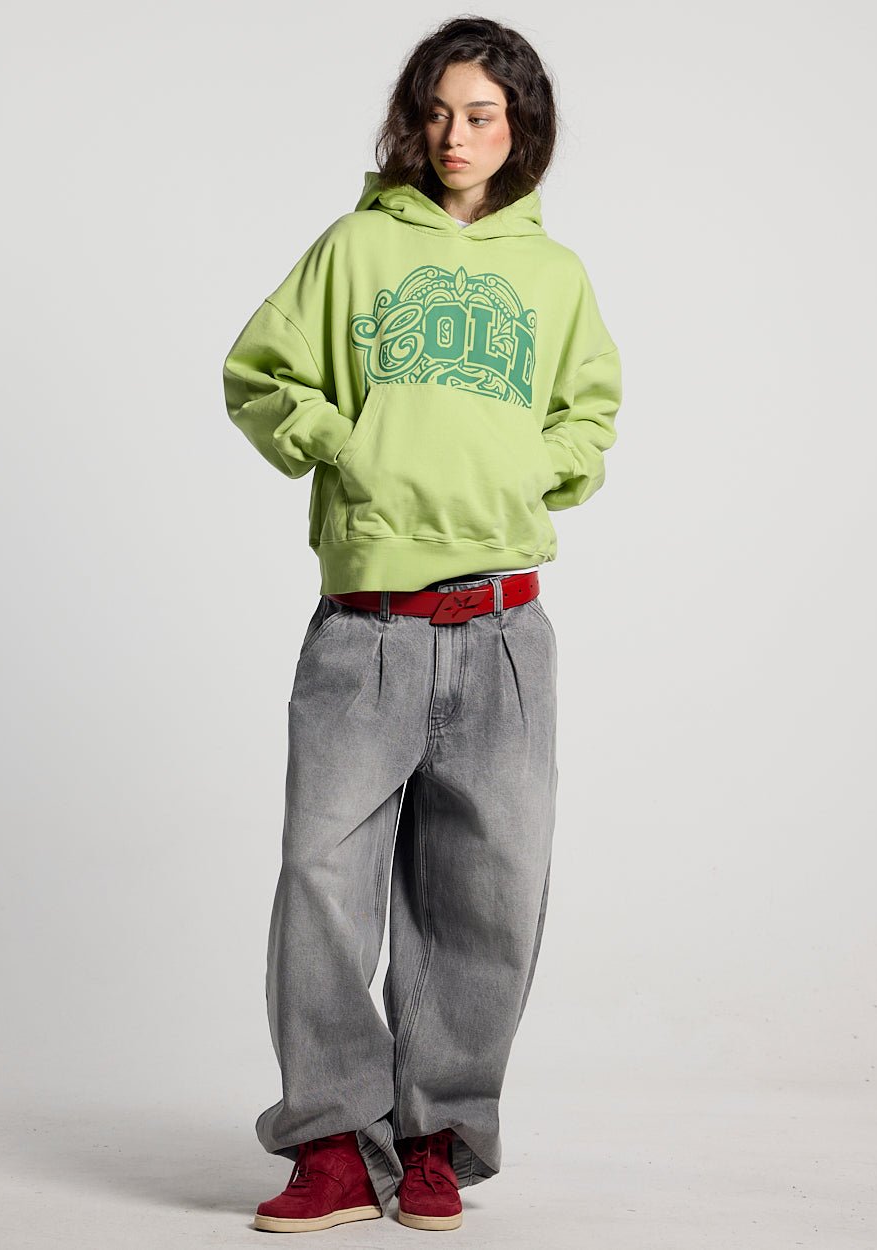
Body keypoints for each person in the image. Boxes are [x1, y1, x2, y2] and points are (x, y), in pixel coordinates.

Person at [221, 15, 622, 1235]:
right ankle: (333, 1145)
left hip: (504, 629)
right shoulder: (355, 247)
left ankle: (435, 1135)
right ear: (414, 119)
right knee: (321, 882)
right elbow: (259, 373)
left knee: (487, 894)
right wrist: (349, 446)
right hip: (368, 626)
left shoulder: (555, 276)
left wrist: (522, 470)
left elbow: (589, 418)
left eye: (481, 115)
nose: (456, 136)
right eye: (439, 112)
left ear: (519, 128)